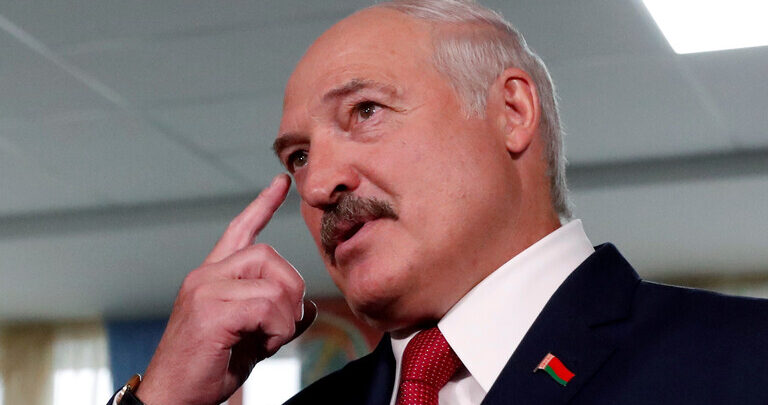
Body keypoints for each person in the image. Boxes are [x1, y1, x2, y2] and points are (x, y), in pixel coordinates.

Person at [109, 1, 768, 404]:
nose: (317, 185)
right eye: (299, 156)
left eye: (365, 110)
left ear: (512, 112)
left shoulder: (746, 358)